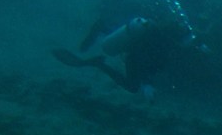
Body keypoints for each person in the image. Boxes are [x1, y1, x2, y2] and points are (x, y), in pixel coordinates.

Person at [52, 15, 205, 94]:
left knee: (121, 38)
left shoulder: (174, 31)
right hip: (134, 54)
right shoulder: (169, 45)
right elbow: (146, 59)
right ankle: (99, 64)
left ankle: (103, 27)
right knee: (132, 87)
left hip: (136, 40)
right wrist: (147, 83)